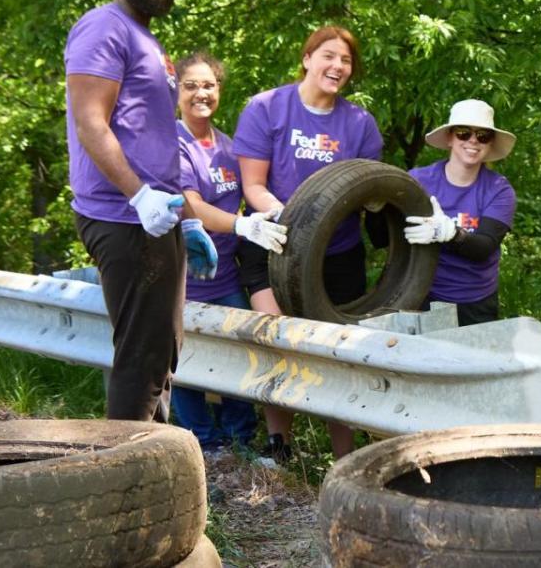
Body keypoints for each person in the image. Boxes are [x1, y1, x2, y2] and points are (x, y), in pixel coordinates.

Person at [66, 0, 219, 422]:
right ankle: (124, 479)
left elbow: (147, 134)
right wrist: (140, 197)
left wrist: (182, 215)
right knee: (142, 360)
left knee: (160, 353)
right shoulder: (102, 27)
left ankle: (155, 471)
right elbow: (91, 124)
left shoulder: (145, 38)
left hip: (156, 216)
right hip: (123, 215)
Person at [231, 25, 383, 461]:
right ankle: (280, 446)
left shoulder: (359, 124)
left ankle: (346, 458)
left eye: (346, 61)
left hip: (337, 254)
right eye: (328, 56)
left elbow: (370, 190)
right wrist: (289, 220)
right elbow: (253, 186)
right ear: (307, 58)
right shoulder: (266, 108)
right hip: (272, 241)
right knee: (279, 342)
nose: (337, 66)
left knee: (339, 353)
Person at [172, 51, 287, 453]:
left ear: (219, 90)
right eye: (191, 85)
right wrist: (241, 223)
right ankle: (202, 442)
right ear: (176, 90)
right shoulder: (173, 143)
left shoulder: (229, 146)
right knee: (186, 362)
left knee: (241, 353)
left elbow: (252, 193)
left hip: (225, 275)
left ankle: (240, 441)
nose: (201, 93)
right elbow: (191, 205)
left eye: (209, 85)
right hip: (183, 277)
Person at [403, 99, 517, 325]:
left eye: (483, 135)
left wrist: (452, 234)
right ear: (449, 138)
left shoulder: (499, 190)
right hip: (421, 293)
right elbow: (386, 232)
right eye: (464, 133)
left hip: (475, 302)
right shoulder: (419, 180)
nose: (473, 140)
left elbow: (484, 246)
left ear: (490, 143)